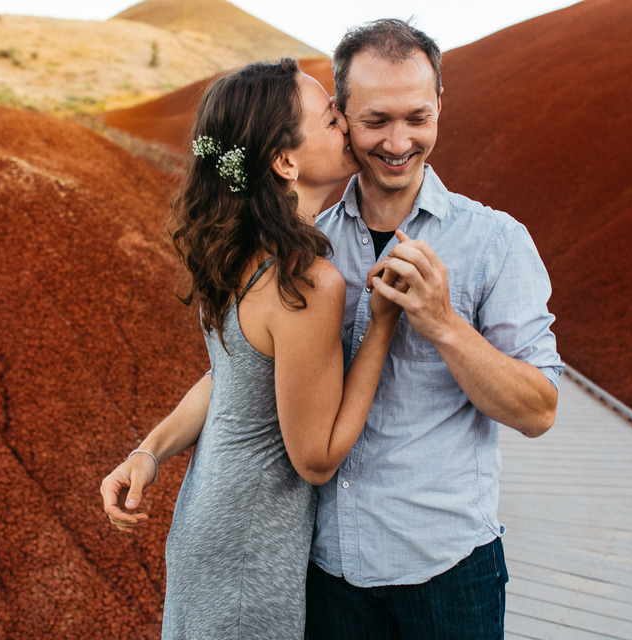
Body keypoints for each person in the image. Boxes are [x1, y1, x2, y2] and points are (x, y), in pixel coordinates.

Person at [99, 58, 404, 639]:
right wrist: (383, 324)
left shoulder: (240, 255)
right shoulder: (306, 281)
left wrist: (149, 451)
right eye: (329, 117)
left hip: (203, 530)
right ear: (285, 161)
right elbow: (315, 459)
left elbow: (229, 377)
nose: (345, 122)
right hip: (249, 559)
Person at [305, 19, 564, 639]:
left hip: (449, 575)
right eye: (376, 121)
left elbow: (538, 411)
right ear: (340, 115)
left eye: (418, 118)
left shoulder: (497, 242)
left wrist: (444, 324)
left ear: (441, 106)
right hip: (326, 568)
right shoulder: (308, 243)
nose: (399, 142)